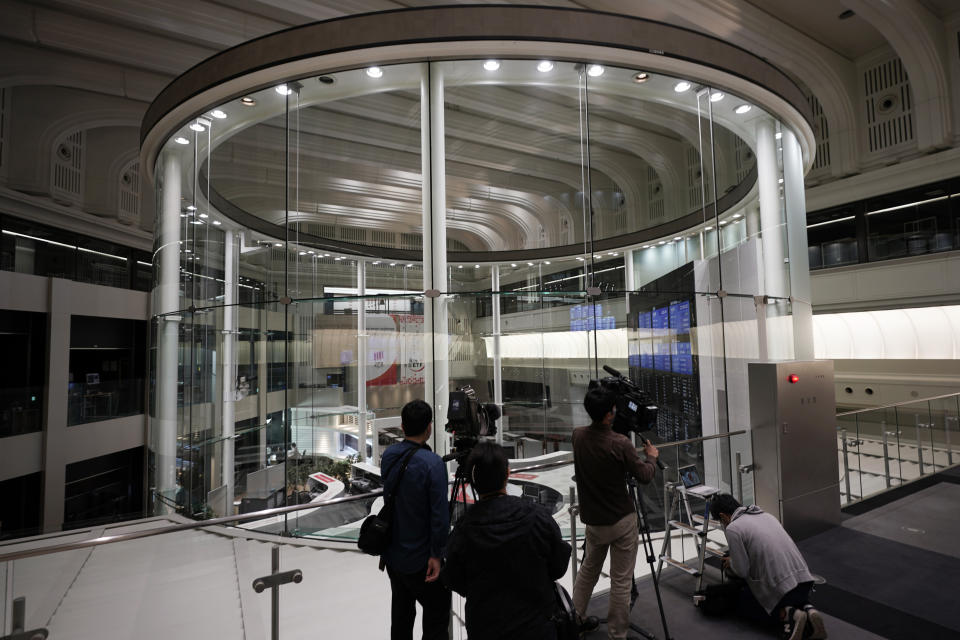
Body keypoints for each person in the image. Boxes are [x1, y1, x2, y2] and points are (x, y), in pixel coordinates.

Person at [442, 441, 571, 639]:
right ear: (508, 474)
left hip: (486, 627)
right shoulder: (537, 517)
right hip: (537, 626)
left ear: (472, 482)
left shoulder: (463, 529)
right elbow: (558, 567)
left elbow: (453, 578)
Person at [571, 384, 659, 640]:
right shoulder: (620, 443)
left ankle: (575, 620)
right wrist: (651, 457)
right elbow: (644, 475)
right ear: (611, 414)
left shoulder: (577, 435)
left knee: (588, 570)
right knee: (621, 581)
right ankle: (617, 634)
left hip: (594, 522)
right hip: (621, 520)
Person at [710, 494, 827, 640]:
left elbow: (742, 570)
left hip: (783, 591)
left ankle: (788, 615)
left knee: (741, 602)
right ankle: (809, 610)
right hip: (805, 584)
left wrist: (732, 562)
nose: (723, 525)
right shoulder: (766, 515)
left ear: (723, 516)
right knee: (789, 592)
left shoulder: (733, 528)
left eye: (720, 521)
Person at [380, 399, 451, 640]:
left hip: (393, 555)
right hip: (422, 559)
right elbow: (440, 516)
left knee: (401, 615)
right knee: (437, 617)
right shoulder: (433, 464)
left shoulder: (389, 456)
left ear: (402, 426)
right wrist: (436, 554)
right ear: (429, 428)